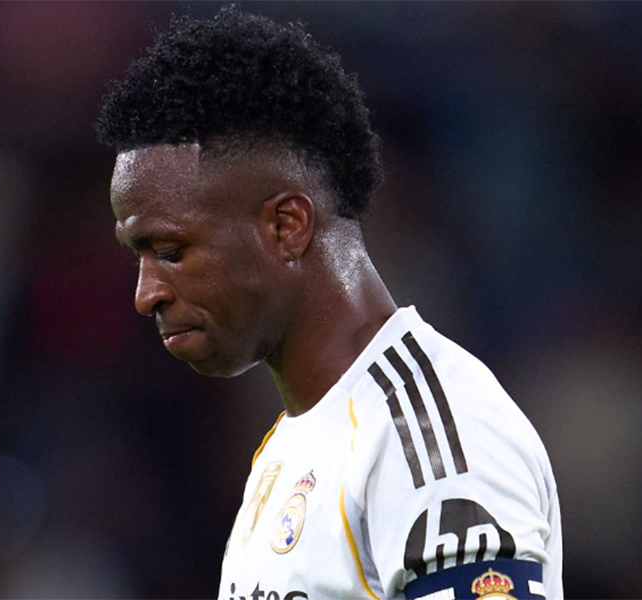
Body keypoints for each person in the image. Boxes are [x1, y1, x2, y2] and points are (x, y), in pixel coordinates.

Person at [96, 7, 563, 600]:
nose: (147, 294)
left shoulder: (429, 438)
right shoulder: (293, 446)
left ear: (286, 226)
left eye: (170, 250)